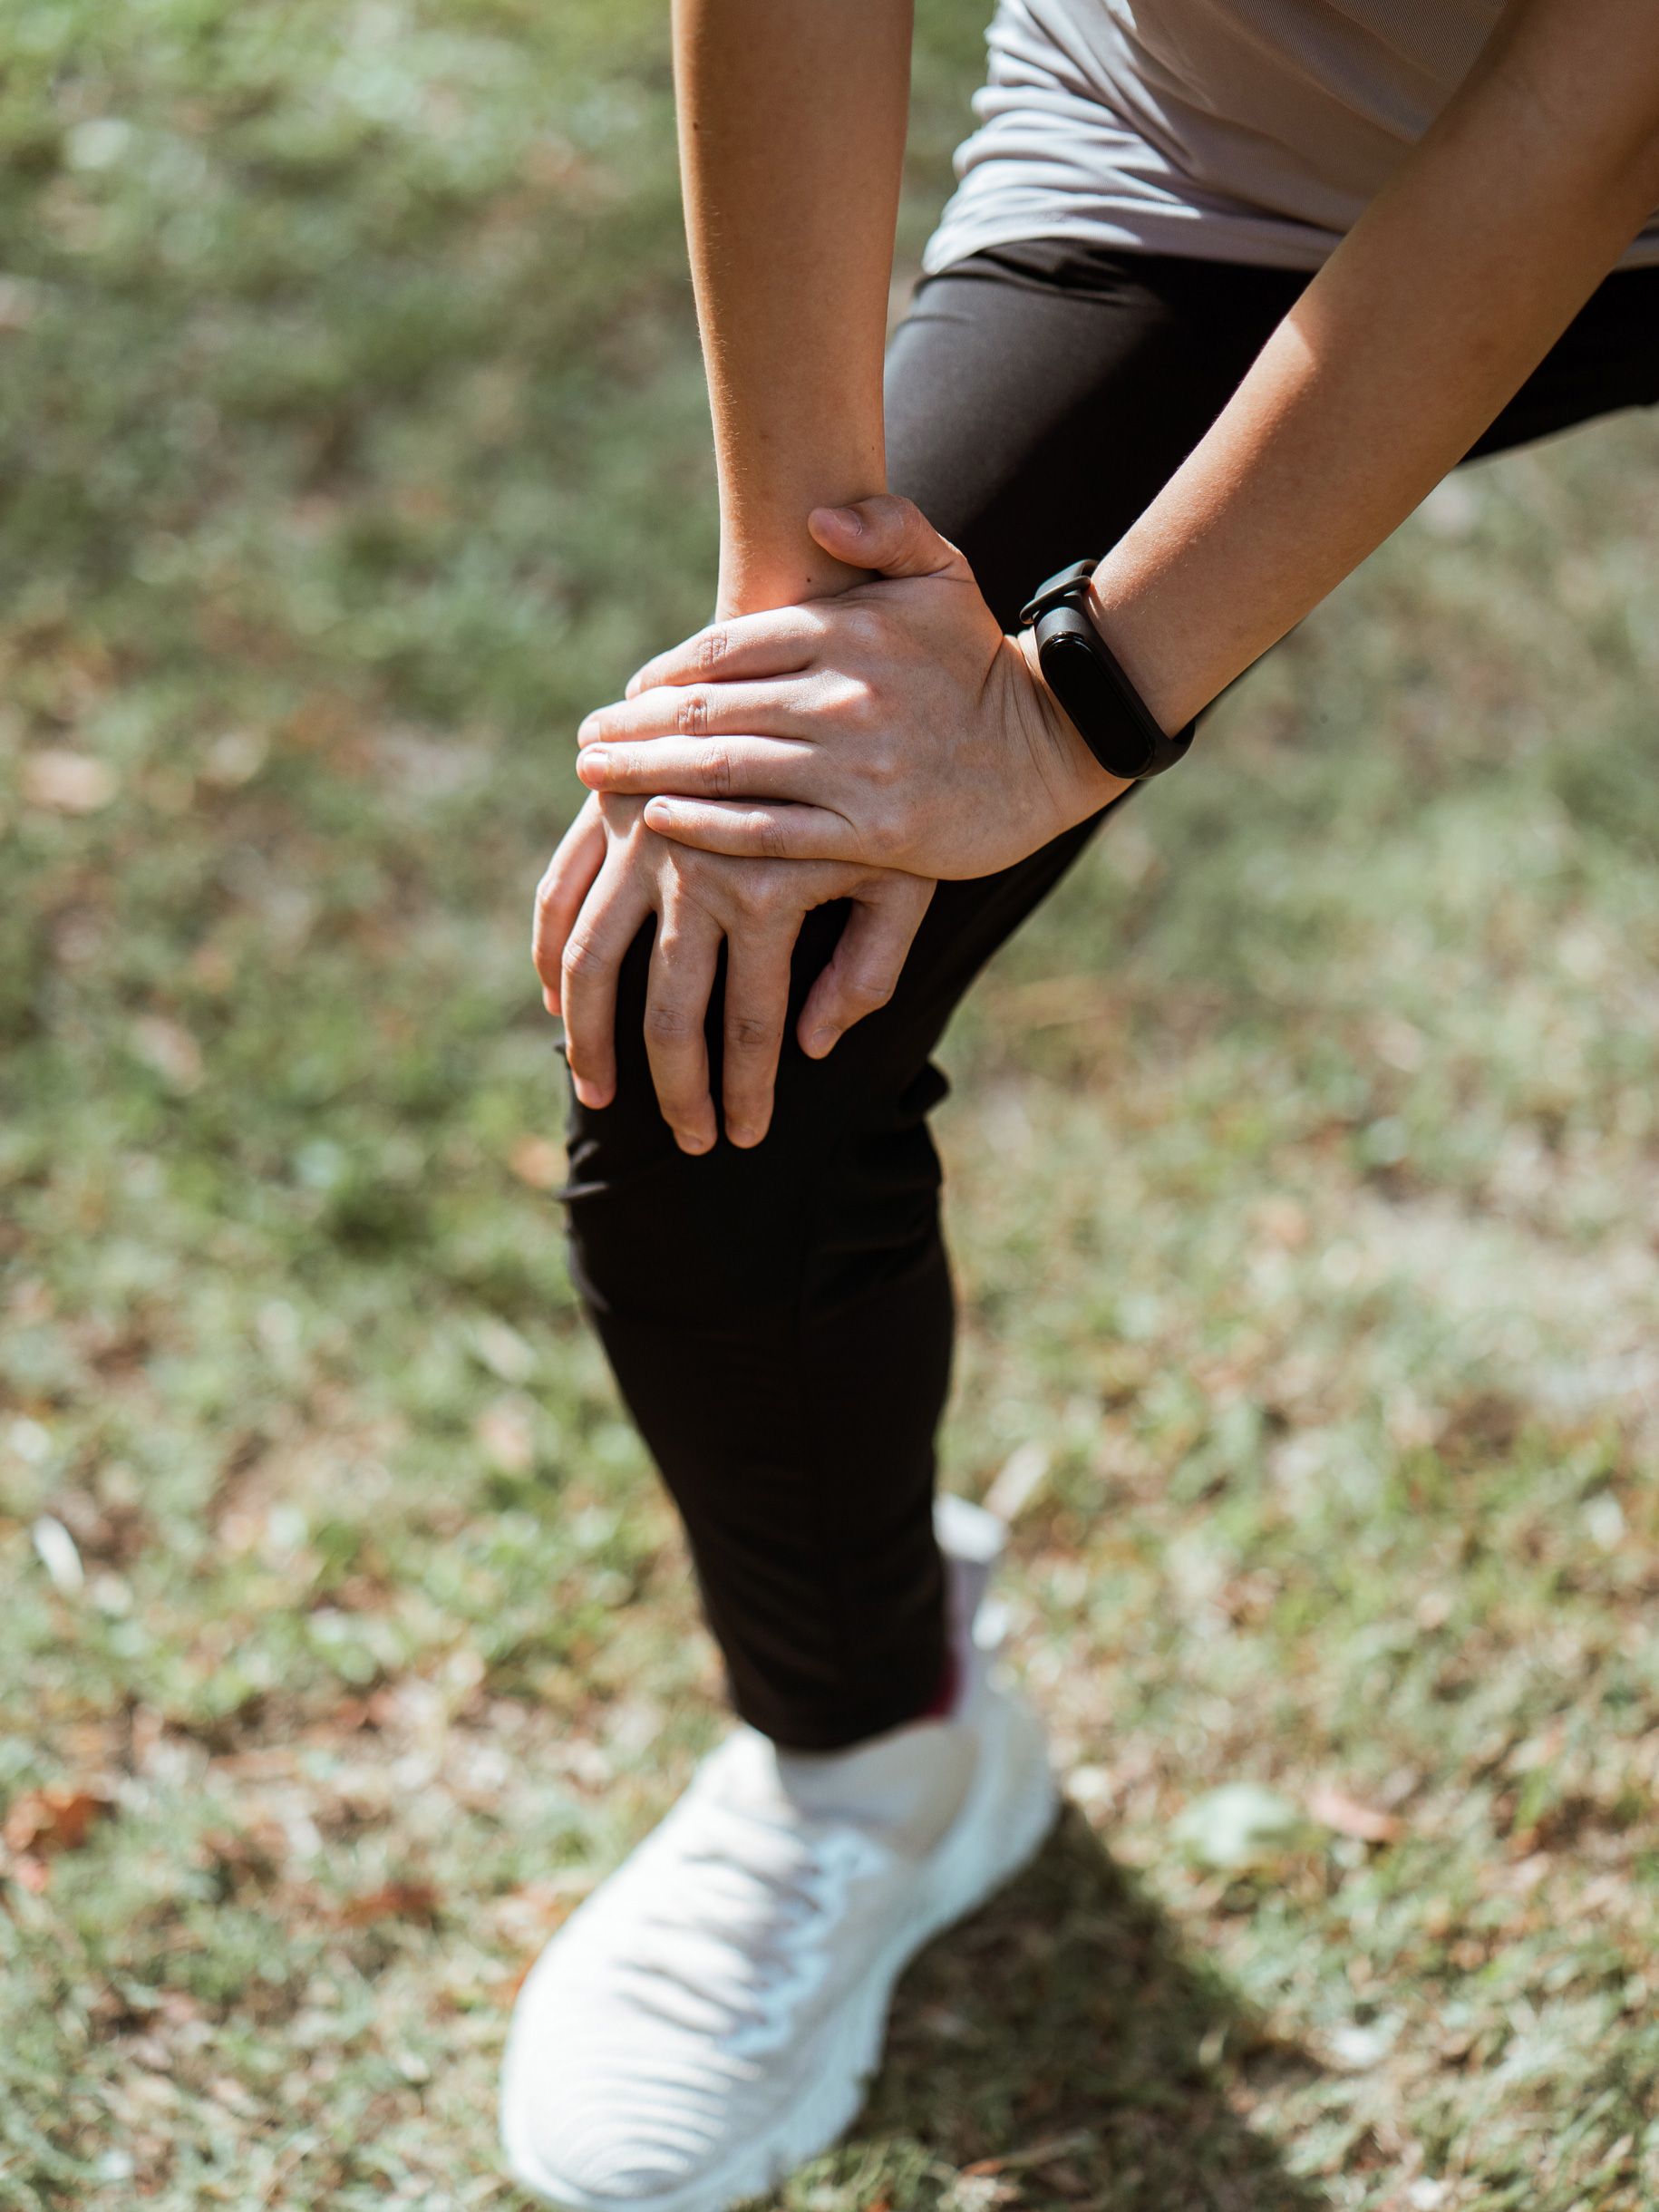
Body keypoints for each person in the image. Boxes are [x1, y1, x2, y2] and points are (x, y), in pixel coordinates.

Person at [503, 1, 1659, 2203]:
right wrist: (803, 635)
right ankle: (876, 1763)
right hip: (1228, 151)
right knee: (722, 974)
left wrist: (1073, 710)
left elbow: (1607, 83)